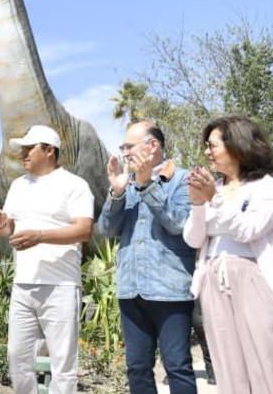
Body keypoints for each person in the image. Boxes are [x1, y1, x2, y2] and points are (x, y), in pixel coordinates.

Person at [183, 115, 273, 393]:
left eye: (212, 145)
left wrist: (215, 199)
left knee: (267, 363)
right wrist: (199, 206)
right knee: (227, 366)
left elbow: (250, 229)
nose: (207, 152)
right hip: (213, 279)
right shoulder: (214, 188)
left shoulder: (267, 187)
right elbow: (193, 238)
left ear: (237, 145)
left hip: (255, 278)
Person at [0, 125, 94, 394]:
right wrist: (1, 224)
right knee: (17, 359)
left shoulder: (75, 185)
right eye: (22, 148)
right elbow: (9, 230)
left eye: (29, 148)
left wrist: (40, 236)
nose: (22, 153)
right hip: (23, 285)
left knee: (63, 365)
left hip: (60, 286)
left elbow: (83, 230)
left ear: (49, 150)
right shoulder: (18, 186)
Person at [96, 122, 197, 393]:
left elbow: (178, 224)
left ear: (152, 145)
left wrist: (146, 186)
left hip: (170, 292)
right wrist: (116, 192)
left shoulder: (184, 180)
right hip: (131, 290)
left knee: (177, 366)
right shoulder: (125, 185)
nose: (125, 153)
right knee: (137, 368)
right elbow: (105, 231)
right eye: (123, 147)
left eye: (129, 146)